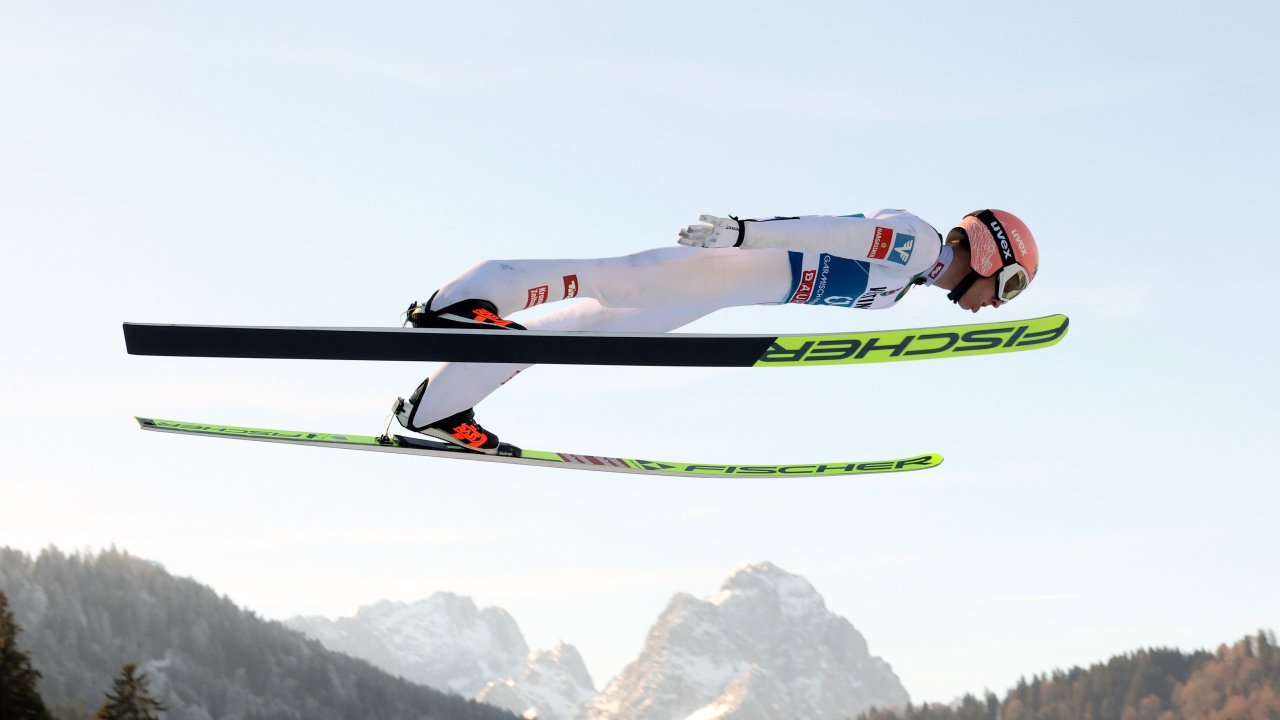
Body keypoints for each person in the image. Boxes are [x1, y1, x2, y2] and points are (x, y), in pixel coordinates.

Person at [392, 208, 1039, 454]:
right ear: (988, 254)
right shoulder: (920, 246)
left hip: (723, 295)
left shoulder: (906, 285)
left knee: (583, 333)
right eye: (1007, 287)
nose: (994, 305)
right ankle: (466, 296)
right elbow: (836, 232)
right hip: (723, 268)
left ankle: (435, 409)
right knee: (609, 281)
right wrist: (745, 233)